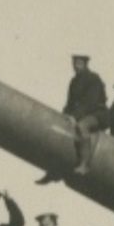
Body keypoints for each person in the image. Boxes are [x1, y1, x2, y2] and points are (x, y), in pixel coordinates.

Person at [42, 54, 109, 182]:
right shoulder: (74, 81)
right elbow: (70, 103)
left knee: (82, 126)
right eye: (74, 63)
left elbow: (91, 102)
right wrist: (65, 114)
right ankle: (53, 171)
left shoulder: (93, 78)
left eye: (79, 63)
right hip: (82, 113)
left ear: (85, 63)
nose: (75, 65)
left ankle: (84, 164)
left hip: (97, 113)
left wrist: (75, 116)